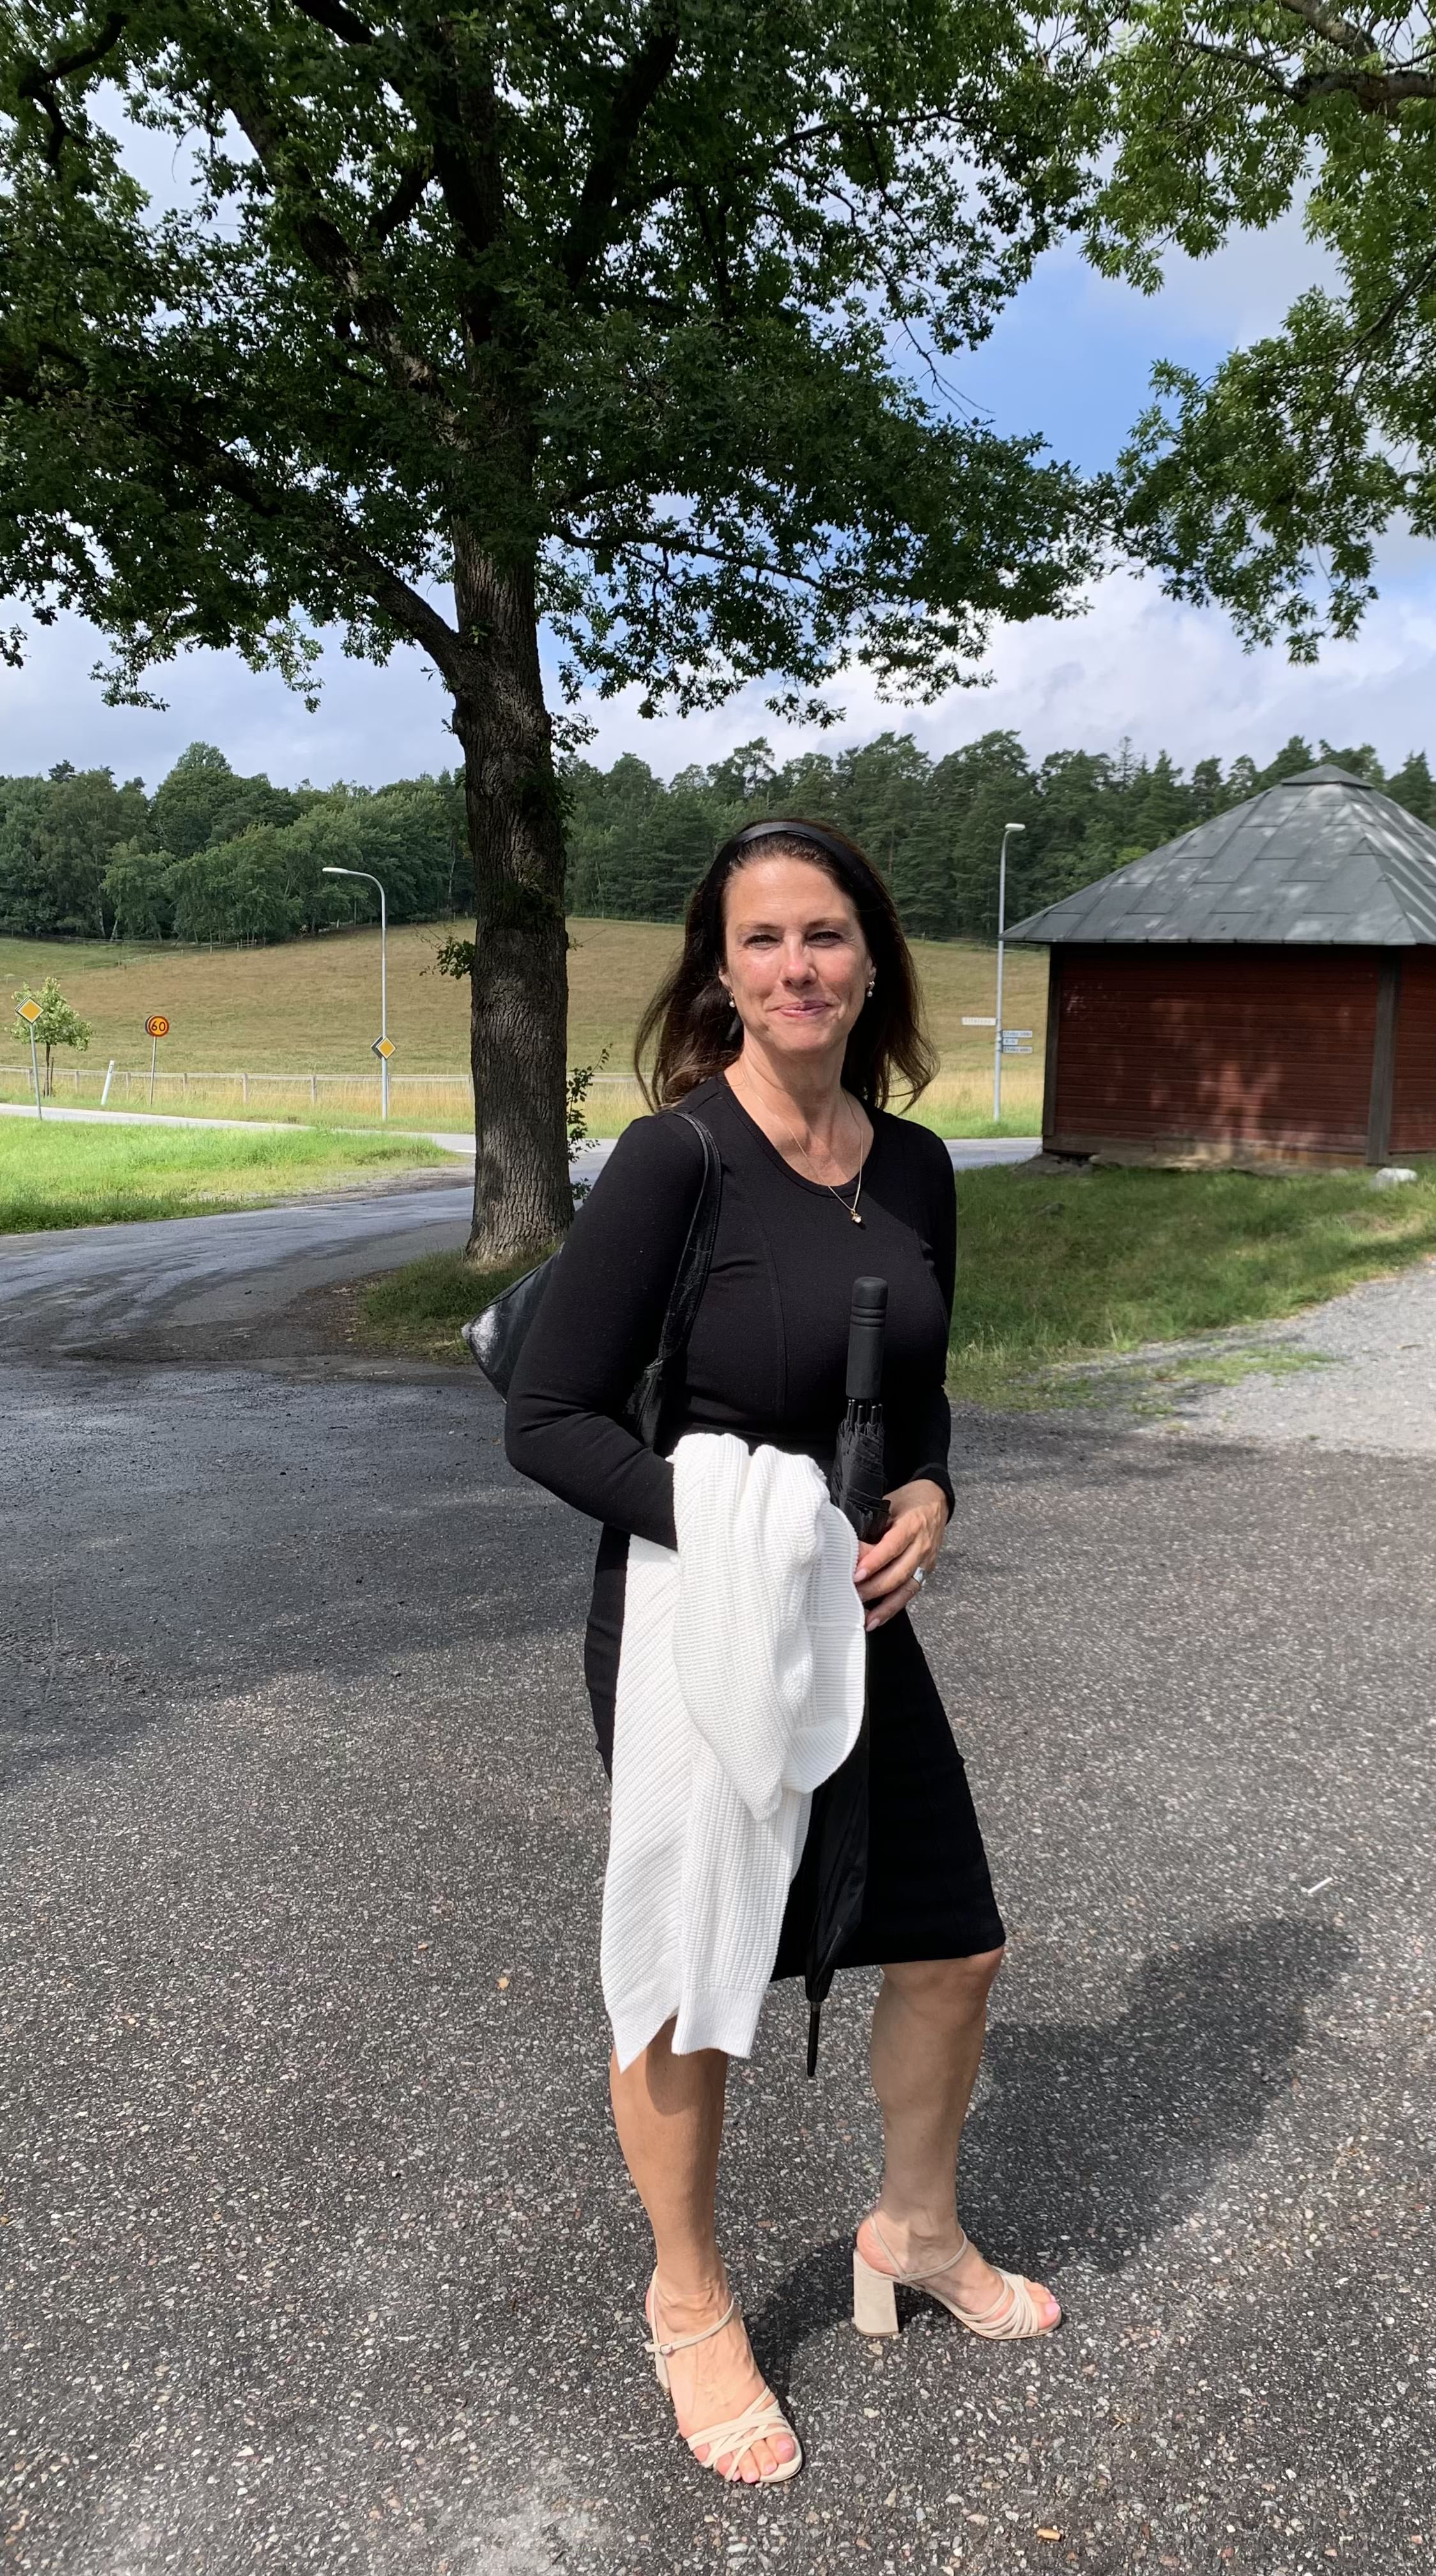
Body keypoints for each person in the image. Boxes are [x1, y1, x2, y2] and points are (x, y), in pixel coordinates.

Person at [503, 818, 1059, 2487]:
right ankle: (689, 2303)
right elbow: (548, 1421)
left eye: (826, 935)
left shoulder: (916, 1170)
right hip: (697, 1610)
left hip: (858, 1612)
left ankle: (914, 2231)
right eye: (763, 942)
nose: (799, 966)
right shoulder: (678, 1161)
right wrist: (741, 1523)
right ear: (721, 973)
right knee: (693, 1973)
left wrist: (935, 1488)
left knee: (952, 1945)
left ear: (871, 958)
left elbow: (929, 1389)